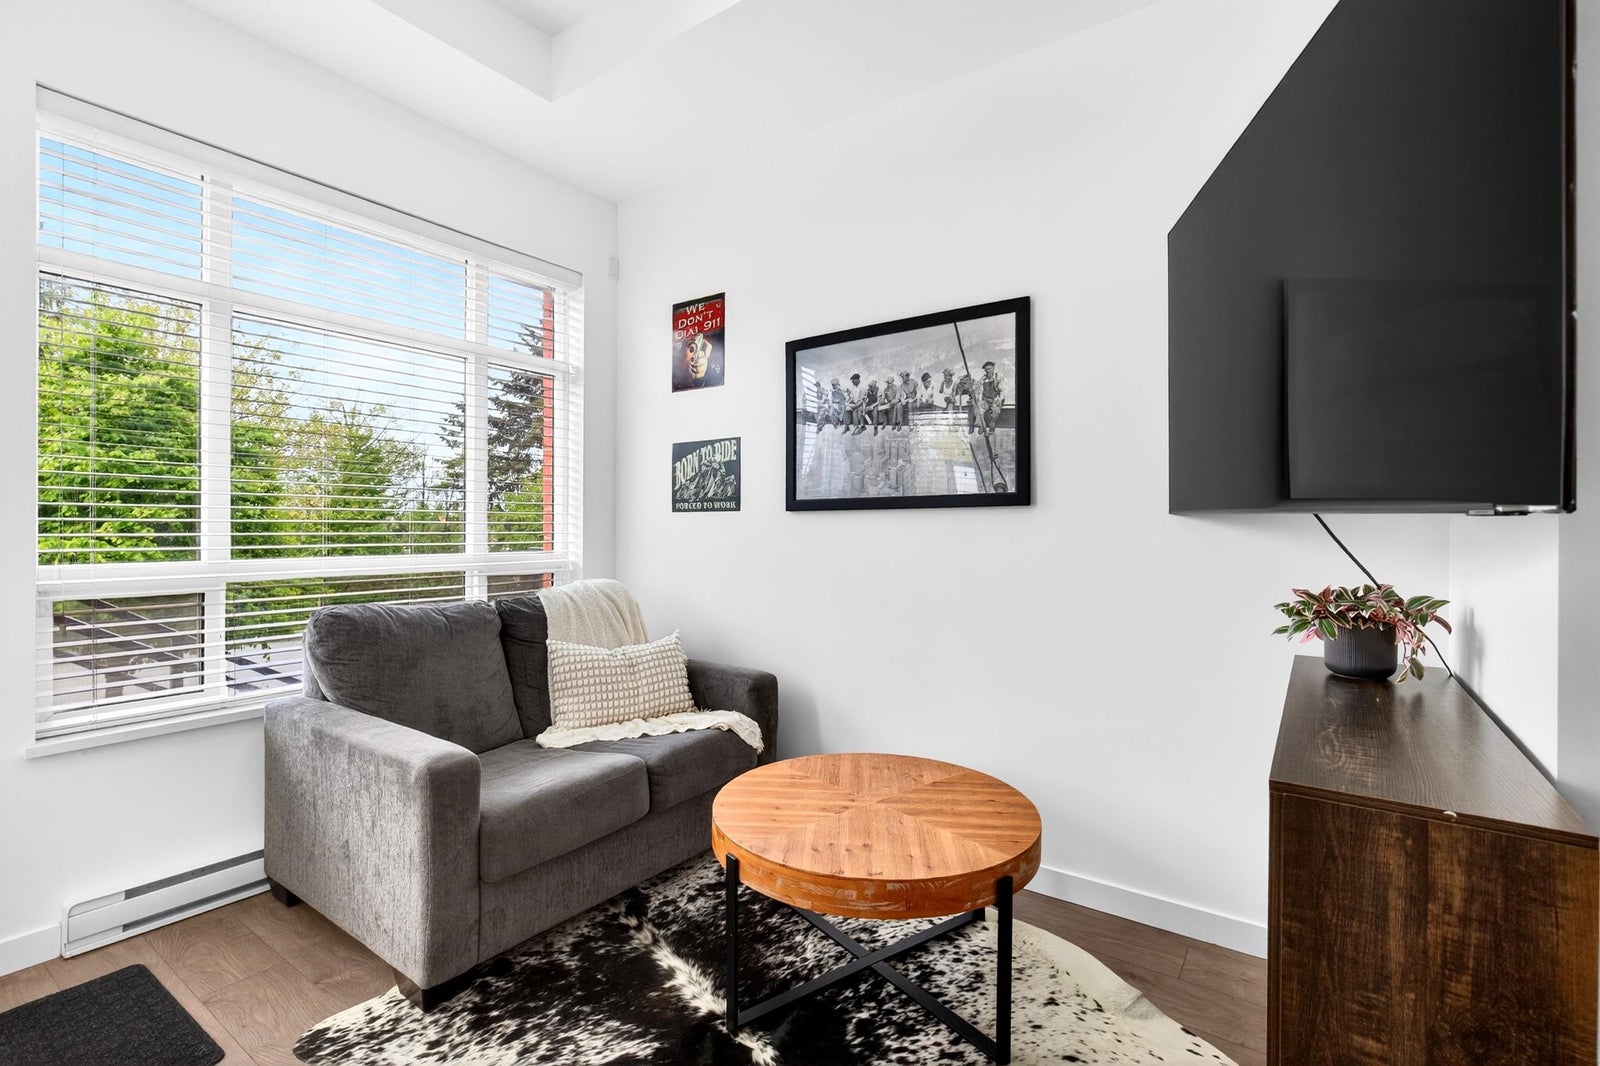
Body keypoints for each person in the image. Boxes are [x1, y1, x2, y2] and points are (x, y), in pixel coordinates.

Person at [978, 359, 1004, 435]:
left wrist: (999, 399)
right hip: (985, 399)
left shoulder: (998, 377)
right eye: (986, 370)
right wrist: (980, 401)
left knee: (996, 410)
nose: (988, 371)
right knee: (979, 410)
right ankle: (982, 426)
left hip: (995, 398)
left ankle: (992, 425)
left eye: (990, 369)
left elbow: (1002, 390)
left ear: (993, 368)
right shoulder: (983, 379)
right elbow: (980, 392)